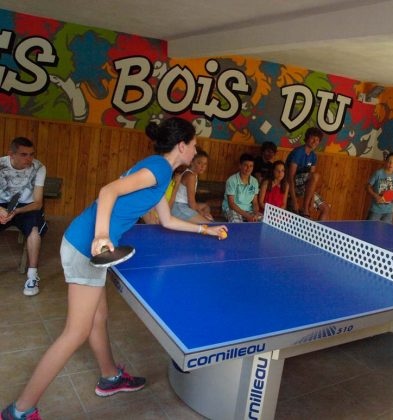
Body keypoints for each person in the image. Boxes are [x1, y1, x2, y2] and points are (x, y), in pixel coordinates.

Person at [0, 117, 227, 420]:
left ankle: (110, 377)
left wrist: (206, 230)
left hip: (86, 245)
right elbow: (108, 191)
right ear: (182, 145)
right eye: (194, 145)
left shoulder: (162, 172)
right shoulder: (159, 168)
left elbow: (167, 220)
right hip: (86, 247)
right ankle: (20, 410)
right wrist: (101, 236)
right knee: (76, 332)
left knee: (99, 316)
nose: (196, 151)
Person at [0, 137, 48, 296]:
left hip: (27, 206)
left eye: (31, 154)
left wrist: (17, 211)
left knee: (34, 230)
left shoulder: (39, 168)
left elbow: (38, 203)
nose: (29, 159)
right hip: (1, 204)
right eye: (23, 154)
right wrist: (1, 210)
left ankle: (32, 276)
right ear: (11, 154)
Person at [286, 127, 331, 220]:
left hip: (304, 186)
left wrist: (312, 199)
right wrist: (294, 200)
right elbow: (290, 177)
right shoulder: (298, 152)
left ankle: (318, 229)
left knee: (325, 208)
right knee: (316, 175)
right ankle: (305, 208)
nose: (315, 141)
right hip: (292, 183)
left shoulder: (313, 156)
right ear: (307, 138)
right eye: (312, 138)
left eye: (317, 140)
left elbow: (312, 181)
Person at [171, 149, 213, 223]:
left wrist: (204, 213)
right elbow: (192, 203)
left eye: (205, 164)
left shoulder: (192, 174)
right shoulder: (190, 176)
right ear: (191, 162)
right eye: (199, 163)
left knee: (206, 206)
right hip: (179, 206)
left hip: (185, 204)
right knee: (208, 223)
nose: (203, 166)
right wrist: (202, 214)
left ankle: (201, 217)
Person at [222, 153, 262, 222]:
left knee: (264, 221)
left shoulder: (254, 181)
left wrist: (255, 213)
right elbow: (231, 204)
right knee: (237, 223)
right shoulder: (232, 180)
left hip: (248, 210)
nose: (248, 168)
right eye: (246, 165)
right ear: (240, 166)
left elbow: (255, 202)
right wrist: (247, 216)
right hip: (233, 209)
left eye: (251, 166)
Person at [366, 152, 393, 224]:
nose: (391, 164)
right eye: (389, 161)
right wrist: (375, 196)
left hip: (389, 211)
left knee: (385, 230)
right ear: (385, 162)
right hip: (376, 209)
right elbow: (368, 187)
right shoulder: (378, 173)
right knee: (369, 229)